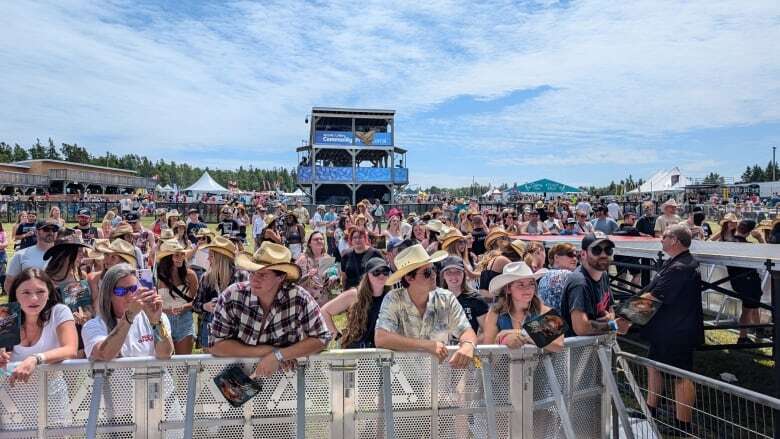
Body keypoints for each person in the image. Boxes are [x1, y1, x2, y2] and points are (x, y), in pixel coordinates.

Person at [209, 242, 331, 378]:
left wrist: (278, 355)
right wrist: (268, 352)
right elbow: (215, 344)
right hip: (235, 383)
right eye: (252, 272)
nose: (254, 279)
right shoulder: (232, 295)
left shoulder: (299, 298)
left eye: (262, 275)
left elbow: (322, 338)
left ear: (281, 277)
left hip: (285, 384)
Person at [641, 224, 703, 434]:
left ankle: (682, 425)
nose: (661, 238)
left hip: (678, 331)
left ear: (675, 240)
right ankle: (650, 410)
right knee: (653, 365)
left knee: (681, 375)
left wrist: (624, 316)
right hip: (664, 328)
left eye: (665, 236)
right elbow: (650, 290)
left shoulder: (682, 266)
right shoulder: (674, 262)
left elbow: (653, 295)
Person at [375, 245, 477, 369]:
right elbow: (381, 338)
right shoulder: (394, 299)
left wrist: (468, 345)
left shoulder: (446, 298)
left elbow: (466, 330)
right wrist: (426, 345)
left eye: (433, 269)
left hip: (439, 381)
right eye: (427, 272)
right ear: (409, 278)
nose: (434, 274)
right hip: (402, 384)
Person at [0, 269, 78, 423]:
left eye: (40, 291)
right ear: (15, 294)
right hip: (13, 403)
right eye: (26, 292)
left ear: (49, 293)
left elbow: (71, 349)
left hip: (52, 400)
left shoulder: (59, 312)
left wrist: (36, 359)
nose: (34, 298)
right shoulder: (6, 315)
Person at [82, 264, 173, 360]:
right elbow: (103, 354)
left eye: (133, 289)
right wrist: (129, 316)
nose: (130, 296)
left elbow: (165, 354)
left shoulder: (155, 318)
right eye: (121, 291)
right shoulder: (93, 325)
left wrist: (156, 323)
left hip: (155, 375)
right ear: (108, 295)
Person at [482, 262, 563, 352]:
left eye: (531, 283)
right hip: (506, 366)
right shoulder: (495, 313)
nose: (528, 288)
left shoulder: (544, 310)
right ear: (508, 289)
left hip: (539, 366)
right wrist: (503, 340)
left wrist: (520, 334)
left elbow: (558, 344)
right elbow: (488, 350)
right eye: (521, 284)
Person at [560, 233, 630, 336]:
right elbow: (581, 328)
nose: (603, 255)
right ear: (583, 254)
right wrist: (613, 326)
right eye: (596, 250)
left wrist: (610, 317)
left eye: (608, 250)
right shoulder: (579, 283)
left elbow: (610, 308)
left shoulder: (604, 275)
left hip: (598, 346)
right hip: (579, 349)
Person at [320, 257, 391, 348]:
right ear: (367, 275)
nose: (381, 275)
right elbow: (324, 311)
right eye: (376, 272)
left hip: (381, 353)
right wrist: (337, 337)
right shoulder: (354, 295)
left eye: (385, 271)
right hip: (356, 353)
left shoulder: (391, 297)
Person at [193, 236, 246, 352]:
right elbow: (195, 305)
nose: (208, 259)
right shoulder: (206, 278)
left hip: (236, 331)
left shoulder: (242, 276)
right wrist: (205, 306)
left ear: (221, 258)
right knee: (209, 367)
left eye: (211, 256)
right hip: (210, 328)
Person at [156, 240, 199, 355]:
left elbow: (196, 302)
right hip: (162, 322)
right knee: (165, 366)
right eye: (176, 255)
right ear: (167, 257)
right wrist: (166, 311)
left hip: (184, 320)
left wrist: (184, 307)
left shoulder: (190, 275)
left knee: (183, 365)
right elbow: (152, 304)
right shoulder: (157, 277)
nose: (180, 258)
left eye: (182, 254)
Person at [726, 220, 766, 343]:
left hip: (737, 280)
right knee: (747, 309)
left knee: (754, 306)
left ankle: (759, 330)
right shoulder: (748, 246)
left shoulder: (729, 243)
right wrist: (760, 238)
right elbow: (768, 253)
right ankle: (742, 337)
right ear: (749, 232)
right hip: (748, 281)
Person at [439, 256, 489, 343]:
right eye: (449, 272)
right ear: (443, 275)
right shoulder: (436, 299)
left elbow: (488, 332)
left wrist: (469, 344)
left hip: (468, 352)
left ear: (464, 274)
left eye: (458, 272)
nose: (454, 276)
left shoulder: (475, 299)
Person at [4, 220, 59, 293]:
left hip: (56, 302)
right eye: (46, 229)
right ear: (37, 232)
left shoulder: (63, 255)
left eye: (54, 230)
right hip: (31, 302)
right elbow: (9, 283)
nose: (51, 232)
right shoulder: (20, 255)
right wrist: (18, 302)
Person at [296, 231, 335, 305]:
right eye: (316, 239)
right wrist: (308, 275)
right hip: (306, 301)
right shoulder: (302, 259)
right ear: (310, 244)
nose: (319, 241)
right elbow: (295, 281)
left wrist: (332, 280)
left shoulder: (328, 259)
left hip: (324, 302)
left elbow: (332, 285)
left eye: (321, 239)